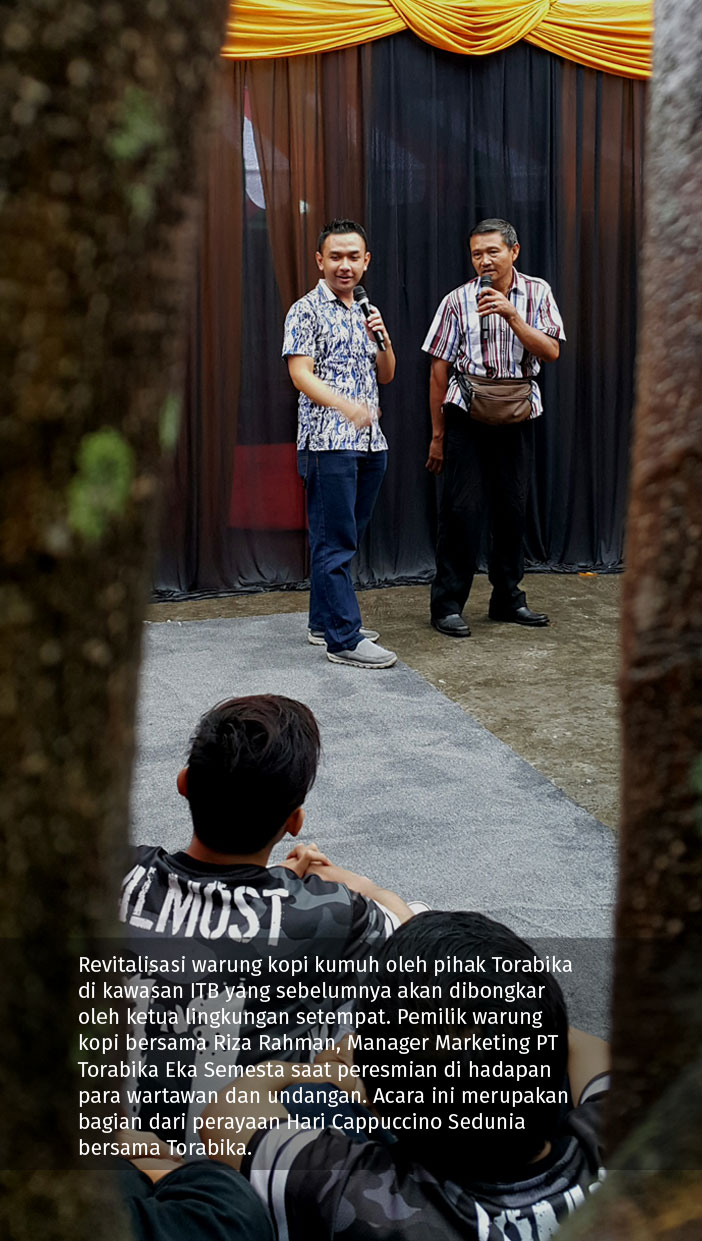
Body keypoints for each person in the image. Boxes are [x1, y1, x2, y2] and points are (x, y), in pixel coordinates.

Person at [202, 911, 610, 1241]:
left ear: (380, 1107)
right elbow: (586, 1048)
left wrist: (324, 1073)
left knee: (307, 1101)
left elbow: (225, 1114)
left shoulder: (353, 1196)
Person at [119, 694, 412, 1145]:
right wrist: (347, 883)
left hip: (115, 1144)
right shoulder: (335, 913)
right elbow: (413, 936)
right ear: (294, 821)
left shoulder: (108, 873)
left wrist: (275, 881)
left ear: (184, 783)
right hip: (244, 1156)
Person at [423, 219, 565, 637]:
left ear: (513, 251)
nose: (484, 260)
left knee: (512, 509)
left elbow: (552, 351)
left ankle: (507, 599)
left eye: (492, 251)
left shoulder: (537, 292)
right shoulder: (456, 300)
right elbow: (438, 370)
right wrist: (437, 435)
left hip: (516, 411)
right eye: (476, 254)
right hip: (467, 411)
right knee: (461, 511)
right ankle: (447, 605)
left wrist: (512, 316)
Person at [283, 218, 398, 668]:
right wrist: (346, 407)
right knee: (335, 542)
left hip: (370, 444)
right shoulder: (305, 310)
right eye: (335, 256)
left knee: (343, 538)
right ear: (320, 260)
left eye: (353, 257)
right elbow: (300, 374)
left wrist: (381, 339)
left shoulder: (366, 310)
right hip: (327, 443)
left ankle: (322, 622)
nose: (344, 265)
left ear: (366, 261)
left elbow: (386, 374)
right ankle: (344, 638)